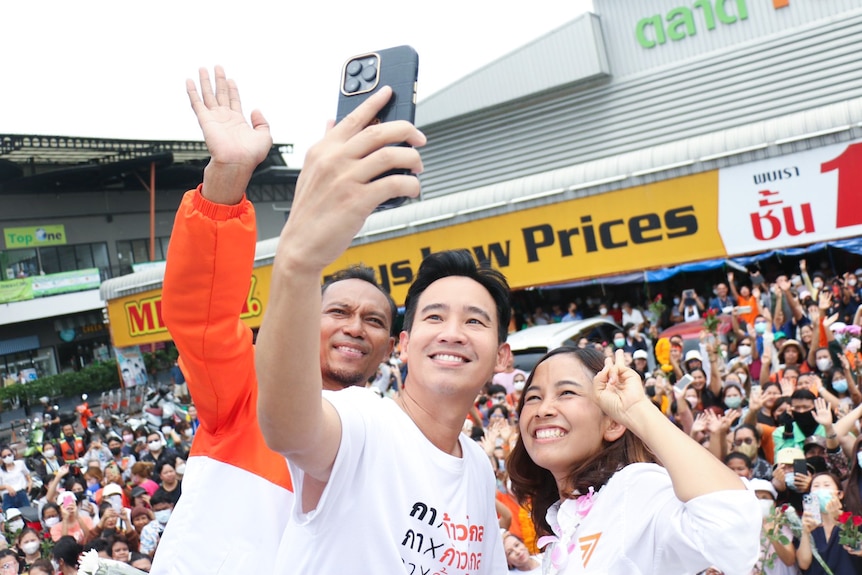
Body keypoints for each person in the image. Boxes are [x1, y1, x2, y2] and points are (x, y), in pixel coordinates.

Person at [154, 66, 399, 574]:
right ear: (306, 321)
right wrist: (228, 175)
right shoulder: (247, 394)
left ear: (393, 346)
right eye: (338, 311)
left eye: (373, 320)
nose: (355, 326)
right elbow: (203, 313)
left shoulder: (393, 439)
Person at [256, 85, 507, 572]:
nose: (453, 332)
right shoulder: (361, 421)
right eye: (434, 317)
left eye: (474, 321)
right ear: (405, 347)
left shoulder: (477, 468)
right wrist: (298, 262)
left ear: (501, 356)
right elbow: (288, 426)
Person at [507, 347, 760, 573]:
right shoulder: (558, 526)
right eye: (533, 397)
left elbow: (732, 526)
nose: (543, 409)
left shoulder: (633, 488)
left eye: (566, 392)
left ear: (613, 422)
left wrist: (636, 409)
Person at [797, 471, 862, 573]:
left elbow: (857, 548)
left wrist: (840, 521)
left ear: (840, 494)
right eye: (816, 486)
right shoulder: (808, 523)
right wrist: (805, 532)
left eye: (826, 485)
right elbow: (804, 564)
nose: (821, 489)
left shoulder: (853, 521)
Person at [0, 447, 31, 512]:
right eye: (4, 456)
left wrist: (30, 483)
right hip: (8, 497)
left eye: (9, 455)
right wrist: (6, 486)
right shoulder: (1, 470)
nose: (7, 457)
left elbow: (27, 475)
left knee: (27, 515)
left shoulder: (20, 464)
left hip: (22, 493)